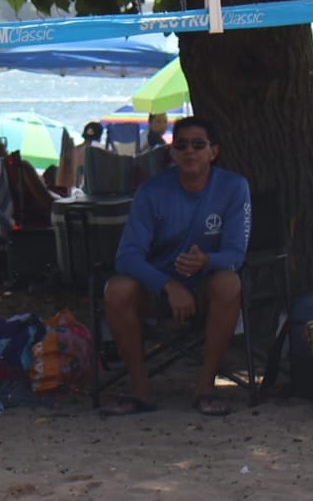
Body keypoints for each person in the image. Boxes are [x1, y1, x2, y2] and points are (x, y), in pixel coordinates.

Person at [101, 115, 250, 417]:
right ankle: (140, 390)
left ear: (213, 151)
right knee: (116, 289)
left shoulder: (234, 187)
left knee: (229, 283)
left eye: (198, 144)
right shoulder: (151, 192)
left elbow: (236, 254)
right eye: (181, 145)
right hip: (158, 290)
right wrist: (167, 286)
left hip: (207, 288)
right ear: (172, 153)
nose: (189, 152)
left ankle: (206, 387)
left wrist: (207, 261)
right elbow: (127, 256)